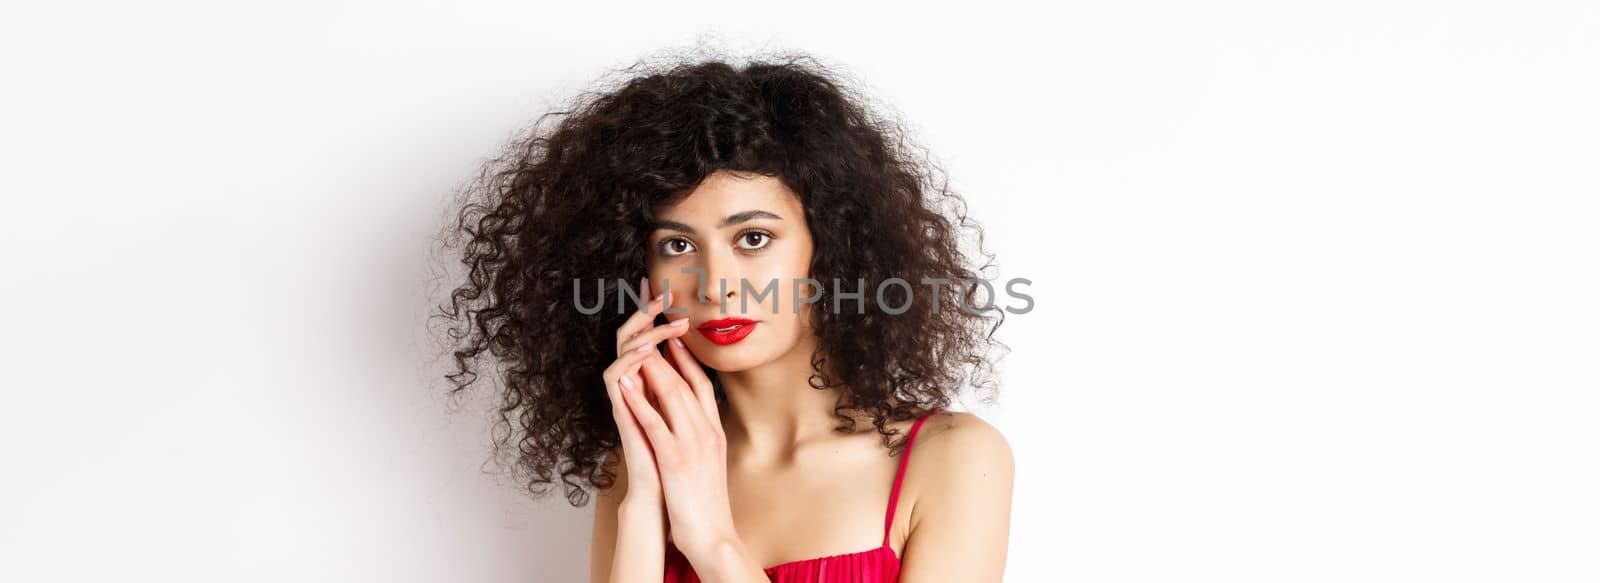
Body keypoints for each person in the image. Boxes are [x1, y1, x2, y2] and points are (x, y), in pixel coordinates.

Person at [435, 50, 1014, 582]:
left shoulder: (952, 457)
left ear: (835, 249)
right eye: (678, 247)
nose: (715, 288)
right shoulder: (638, 472)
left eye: (754, 238)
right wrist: (643, 504)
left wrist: (711, 539)